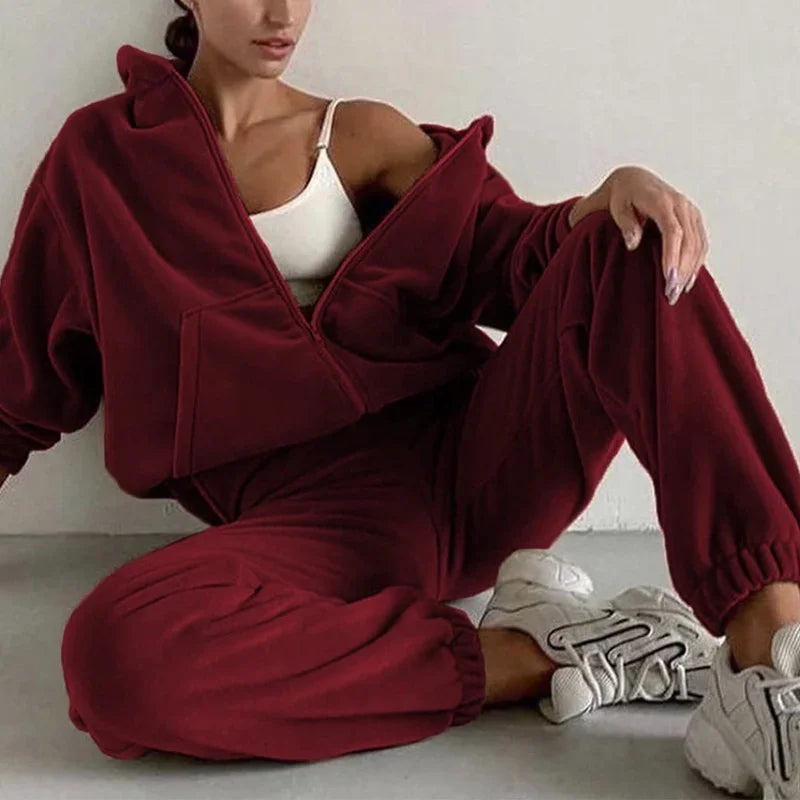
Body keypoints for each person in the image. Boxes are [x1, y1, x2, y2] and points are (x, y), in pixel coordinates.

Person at [2, 1, 799, 794]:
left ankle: (772, 655)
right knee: (115, 657)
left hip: (482, 465)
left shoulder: (360, 136)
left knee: (633, 243)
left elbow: (513, 255)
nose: (282, 13)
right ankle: (545, 653)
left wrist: (609, 197)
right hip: (313, 530)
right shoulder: (103, 161)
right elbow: (18, 380)